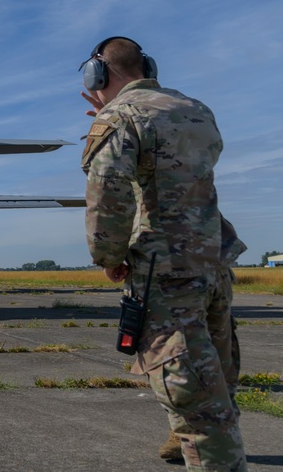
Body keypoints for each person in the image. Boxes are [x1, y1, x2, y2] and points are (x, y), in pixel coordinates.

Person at [78, 36, 247, 471]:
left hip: (165, 273)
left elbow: (108, 195)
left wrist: (109, 256)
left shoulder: (121, 117)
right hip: (212, 263)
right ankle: (181, 438)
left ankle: (208, 450)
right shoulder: (196, 110)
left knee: (195, 398)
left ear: (98, 74)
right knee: (215, 376)